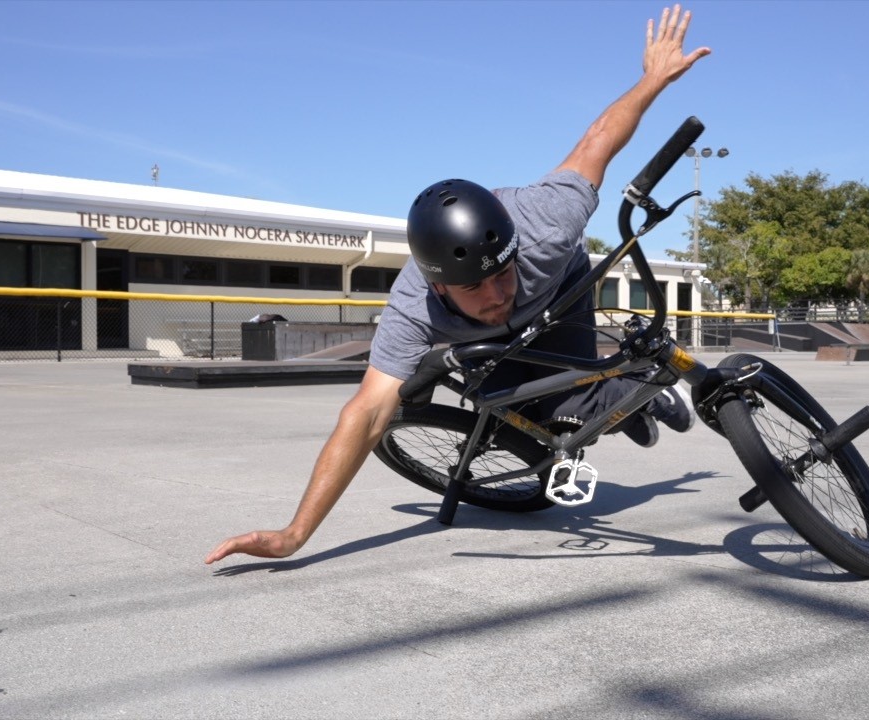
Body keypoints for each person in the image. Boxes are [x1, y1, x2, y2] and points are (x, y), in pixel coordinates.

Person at [205, 4, 711, 565]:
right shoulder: (412, 306)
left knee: (569, 388)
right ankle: (621, 411)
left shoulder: (548, 221)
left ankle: (632, 392)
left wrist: (653, 78)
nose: (497, 296)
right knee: (513, 404)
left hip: (560, 286)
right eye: (476, 289)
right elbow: (365, 414)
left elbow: (598, 139)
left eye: (502, 274)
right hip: (473, 335)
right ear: (439, 288)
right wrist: (293, 533)